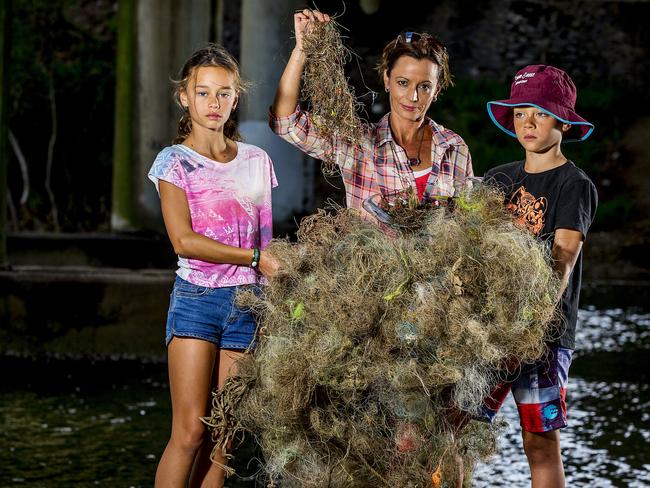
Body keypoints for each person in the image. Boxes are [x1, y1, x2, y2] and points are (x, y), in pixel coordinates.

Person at [148, 43, 279, 488]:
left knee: (223, 438)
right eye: (203, 93)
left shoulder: (257, 162)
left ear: (236, 97)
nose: (214, 103)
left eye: (223, 93)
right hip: (197, 301)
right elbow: (183, 242)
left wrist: (269, 301)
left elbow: (267, 243)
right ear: (184, 97)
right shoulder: (174, 162)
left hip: (247, 305)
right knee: (189, 432)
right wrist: (256, 259)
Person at [481, 65, 598, 487]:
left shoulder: (574, 184)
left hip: (543, 338)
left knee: (539, 441)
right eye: (519, 113)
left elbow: (563, 258)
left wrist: (527, 330)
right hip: (488, 335)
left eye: (540, 113)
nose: (528, 123)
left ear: (563, 122)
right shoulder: (497, 179)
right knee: (453, 427)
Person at [270, 9, 473, 221]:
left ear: (437, 90)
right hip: (372, 255)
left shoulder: (453, 147)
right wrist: (302, 50)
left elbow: (467, 221)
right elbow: (286, 124)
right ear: (387, 80)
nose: (413, 97)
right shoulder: (359, 143)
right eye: (403, 83)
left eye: (424, 87)